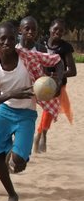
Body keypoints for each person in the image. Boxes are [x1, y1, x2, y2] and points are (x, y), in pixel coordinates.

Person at [0, 22, 63, 201]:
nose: (7, 42)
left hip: (27, 114)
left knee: (19, 162)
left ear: (15, 39)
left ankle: (17, 156)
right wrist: (11, 94)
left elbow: (56, 60)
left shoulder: (27, 56)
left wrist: (58, 81)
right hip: (5, 112)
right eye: (3, 39)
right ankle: (12, 195)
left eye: (10, 38)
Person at [34, 18, 77, 153]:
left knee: (49, 112)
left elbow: (72, 71)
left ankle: (42, 135)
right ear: (50, 29)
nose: (58, 32)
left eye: (61, 31)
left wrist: (57, 76)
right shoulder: (40, 43)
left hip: (56, 85)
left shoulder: (65, 48)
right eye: (55, 29)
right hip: (38, 81)